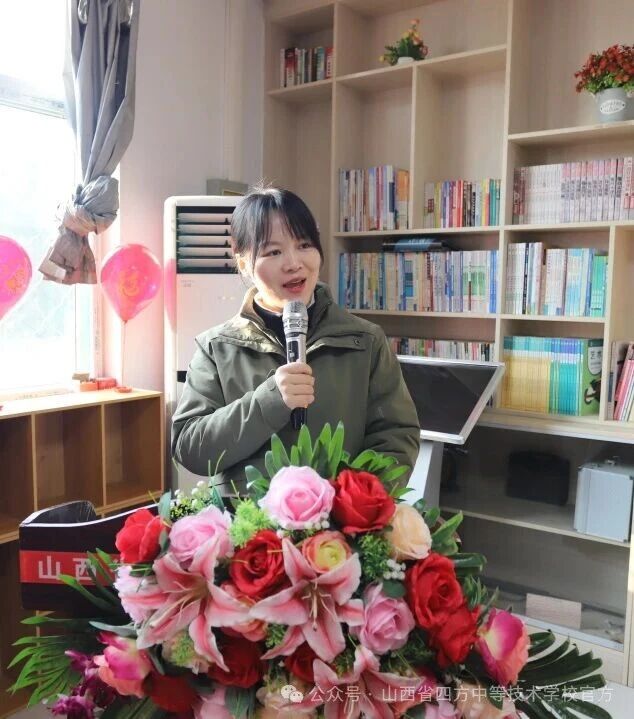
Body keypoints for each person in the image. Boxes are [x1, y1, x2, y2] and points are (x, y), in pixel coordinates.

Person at [171, 185, 420, 492]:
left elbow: (397, 437)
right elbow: (190, 448)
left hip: (337, 520)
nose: (293, 263)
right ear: (243, 262)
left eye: (304, 245)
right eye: (273, 252)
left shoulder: (366, 341)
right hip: (247, 521)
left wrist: (351, 503)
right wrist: (268, 401)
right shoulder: (216, 348)